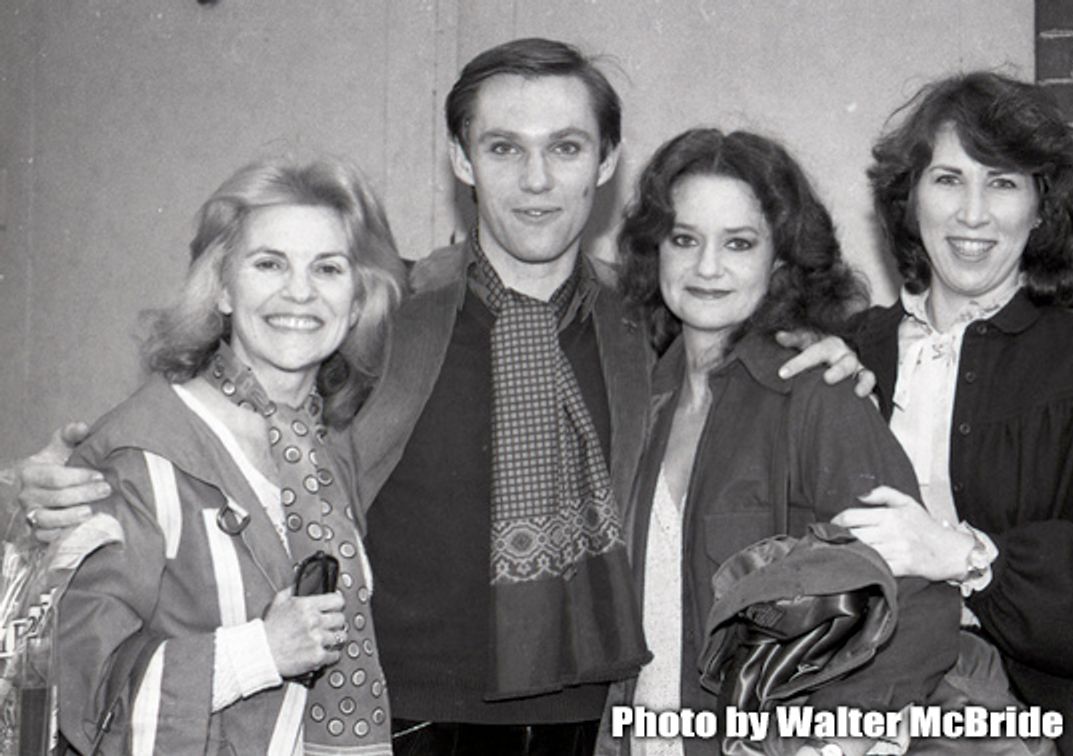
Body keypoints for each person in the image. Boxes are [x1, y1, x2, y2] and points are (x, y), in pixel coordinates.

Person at [18, 39, 871, 756]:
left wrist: (822, 342)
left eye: (566, 148)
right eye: (504, 148)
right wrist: (59, 483)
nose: (536, 180)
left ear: (607, 161)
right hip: (399, 715)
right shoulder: (384, 314)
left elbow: (738, 357)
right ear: (462, 158)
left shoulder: (645, 324)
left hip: (598, 721)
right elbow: (232, 415)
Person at [830, 72, 1073, 755]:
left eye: (1002, 182)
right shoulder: (844, 354)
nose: (972, 214)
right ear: (908, 201)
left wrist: (964, 557)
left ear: (1041, 209)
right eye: (948, 179)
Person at [604, 129, 960, 756]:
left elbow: (919, 600)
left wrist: (835, 744)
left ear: (780, 260)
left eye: (738, 243)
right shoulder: (636, 402)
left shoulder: (819, 395)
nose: (707, 267)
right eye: (684, 239)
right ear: (654, 250)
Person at [55, 157, 403, 753]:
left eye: (328, 268)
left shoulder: (328, 453)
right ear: (219, 286)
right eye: (269, 264)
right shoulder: (139, 452)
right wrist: (258, 653)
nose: (300, 291)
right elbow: (82, 690)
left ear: (357, 301)